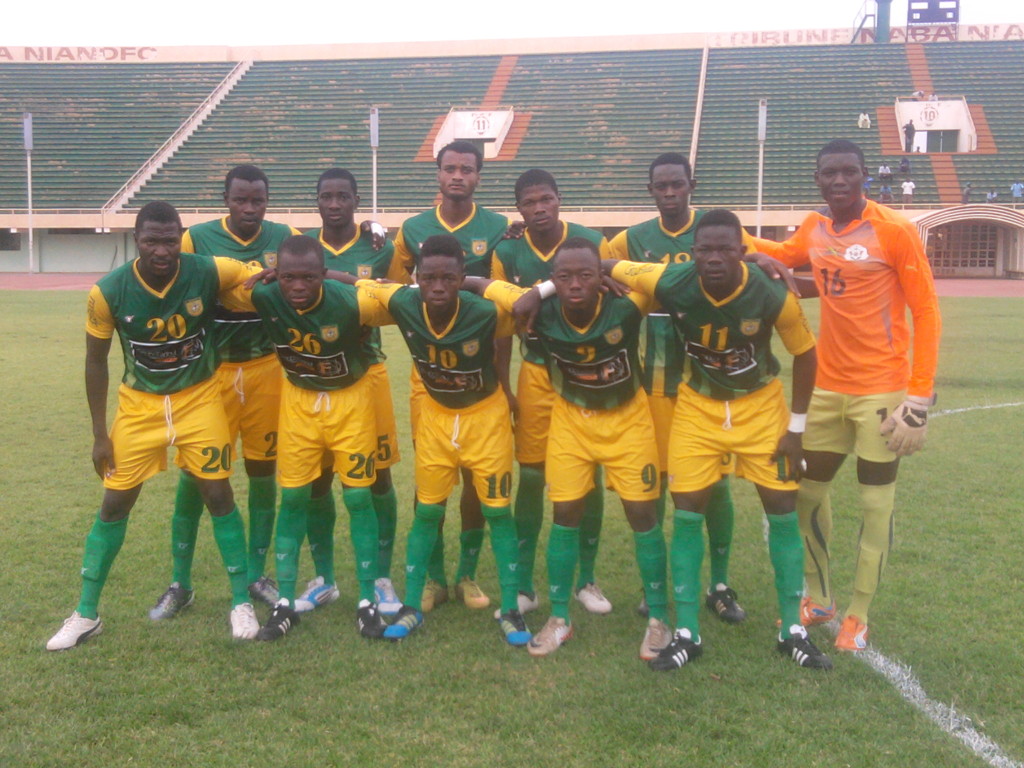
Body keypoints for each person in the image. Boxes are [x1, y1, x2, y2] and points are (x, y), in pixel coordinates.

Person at [605, 209, 830, 671]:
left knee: (782, 510)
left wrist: (796, 429)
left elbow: (806, 355)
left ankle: (792, 629)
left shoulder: (771, 293)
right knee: (687, 512)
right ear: (693, 252)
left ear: (742, 251)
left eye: (724, 249)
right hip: (698, 408)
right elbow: (606, 263)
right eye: (704, 249)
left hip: (760, 407)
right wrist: (599, 276)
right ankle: (688, 632)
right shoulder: (671, 280)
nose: (712, 258)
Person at [752, 139, 941, 652]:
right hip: (826, 387)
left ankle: (859, 613)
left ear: (864, 175)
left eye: (849, 172)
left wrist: (919, 397)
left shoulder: (894, 230)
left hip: (882, 389)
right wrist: (727, 236)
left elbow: (926, 311)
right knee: (807, 494)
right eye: (829, 173)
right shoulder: (814, 228)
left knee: (875, 504)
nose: (839, 181)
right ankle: (819, 598)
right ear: (817, 178)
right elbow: (785, 256)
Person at [47, 202, 262, 650]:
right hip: (139, 407)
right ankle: (86, 613)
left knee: (219, 495)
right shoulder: (108, 291)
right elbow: (95, 361)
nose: (161, 250)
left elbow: (255, 277)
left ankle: (241, 601)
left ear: (180, 238)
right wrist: (99, 434)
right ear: (136, 240)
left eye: (169, 241)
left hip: (199, 400)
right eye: (151, 241)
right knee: (114, 504)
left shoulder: (208, 270)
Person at [487, 238, 670, 660]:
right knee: (565, 513)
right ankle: (559, 617)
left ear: (600, 277)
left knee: (642, 515)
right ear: (552, 279)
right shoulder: (541, 309)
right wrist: (539, 292)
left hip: (627, 420)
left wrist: (608, 267)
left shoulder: (626, 305)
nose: (575, 284)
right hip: (572, 421)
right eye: (564, 277)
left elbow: (669, 279)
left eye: (586, 276)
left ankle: (659, 618)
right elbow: (482, 284)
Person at [357, 234, 531, 646]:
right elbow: (361, 285)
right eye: (429, 278)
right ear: (416, 277)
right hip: (436, 418)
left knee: (497, 511)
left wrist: (481, 283)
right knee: (427, 510)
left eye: (448, 279)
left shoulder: (484, 311)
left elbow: (525, 303)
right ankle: (412, 604)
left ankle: (510, 608)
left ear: (461, 277)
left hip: (484, 419)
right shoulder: (404, 302)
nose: (437, 287)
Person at [226, 235, 395, 641]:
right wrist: (259, 275)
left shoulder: (354, 302)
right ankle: (285, 602)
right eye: (288, 277)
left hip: (351, 402)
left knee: (359, 497)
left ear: (323, 274)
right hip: (299, 403)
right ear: (276, 273)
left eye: (308, 277)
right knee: (294, 497)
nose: (297, 287)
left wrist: (348, 279)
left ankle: (368, 600)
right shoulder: (265, 294)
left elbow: (400, 298)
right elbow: (215, 285)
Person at [607, 153, 747, 624]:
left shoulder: (713, 233)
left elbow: (756, 259)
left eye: (677, 184)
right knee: (654, 487)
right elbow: (595, 264)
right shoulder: (631, 240)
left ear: (692, 184)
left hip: (705, 381)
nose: (669, 193)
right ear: (650, 190)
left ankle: (719, 584)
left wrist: (768, 258)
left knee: (715, 487)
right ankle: (657, 587)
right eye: (661, 185)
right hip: (649, 383)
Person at [158, 165, 300, 617]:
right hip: (211, 376)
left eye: (258, 200)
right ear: (226, 199)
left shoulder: (285, 237)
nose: (249, 208)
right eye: (241, 199)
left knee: (262, 471)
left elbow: (312, 271)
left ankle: (257, 573)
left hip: (267, 371)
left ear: (267, 201)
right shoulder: (196, 239)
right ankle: (180, 582)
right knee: (194, 475)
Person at [386, 141, 513, 612]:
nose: (458, 176)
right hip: (430, 379)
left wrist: (505, 382)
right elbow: (393, 286)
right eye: (450, 168)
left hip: (480, 376)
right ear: (437, 173)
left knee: (478, 482)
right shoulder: (412, 229)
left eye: (467, 169)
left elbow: (502, 309)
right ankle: (434, 577)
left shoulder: (499, 228)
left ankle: (467, 575)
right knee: (431, 481)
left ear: (479, 175)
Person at [492, 168, 614, 617]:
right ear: (519, 209)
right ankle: (524, 584)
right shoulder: (507, 250)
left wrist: (540, 290)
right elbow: (502, 325)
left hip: (585, 372)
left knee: (589, 474)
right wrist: (504, 386)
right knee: (530, 475)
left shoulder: (591, 241)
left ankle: (586, 579)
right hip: (538, 372)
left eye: (546, 199)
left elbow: (611, 294)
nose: (539, 208)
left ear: (560, 198)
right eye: (529, 202)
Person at [301, 168, 402, 616]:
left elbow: (397, 294)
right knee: (317, 478)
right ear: (317, 201)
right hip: (314, 375)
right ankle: (324, 578)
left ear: (357, 201)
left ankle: (381, 577)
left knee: (378, 476)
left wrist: (375, 230)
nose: (335, 204)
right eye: (327, 196)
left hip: (368, 372)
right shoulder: (301, 244)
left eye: (344, 196)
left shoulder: (380, 248)